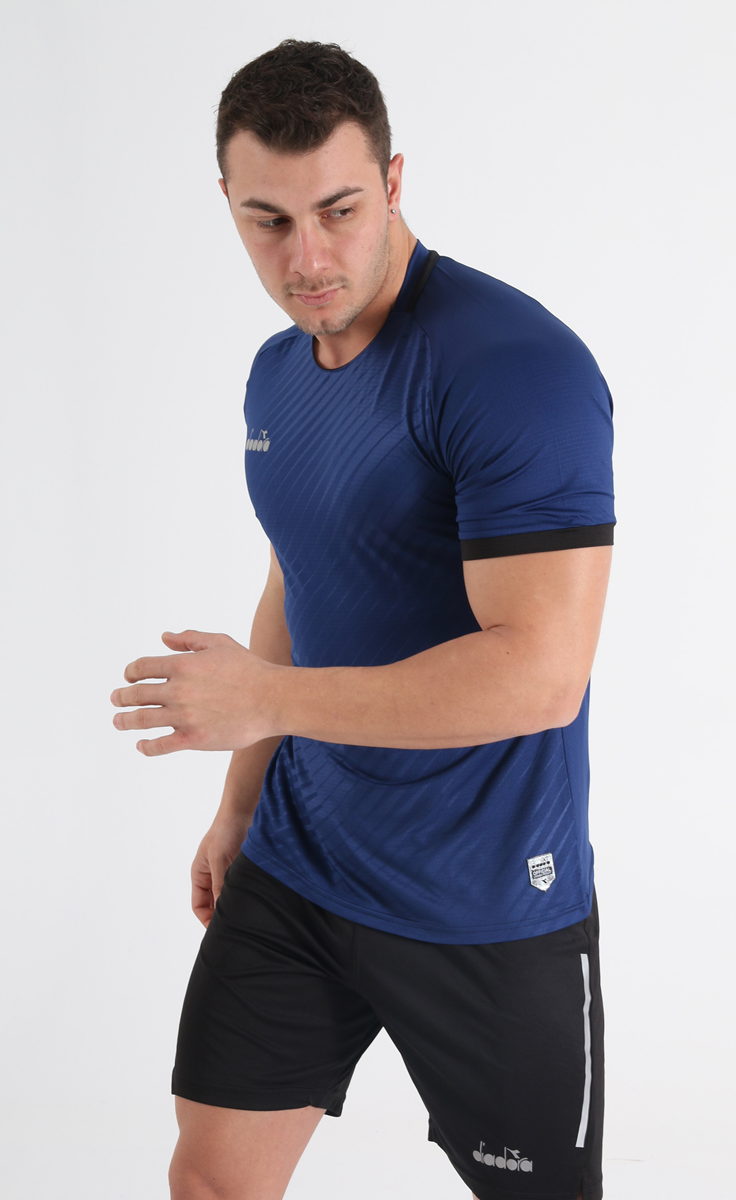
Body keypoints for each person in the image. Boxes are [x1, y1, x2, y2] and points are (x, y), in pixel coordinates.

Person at [110, 39, 615, 1200]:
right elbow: (301, 578)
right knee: (212, 1179)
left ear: (392, 181)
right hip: (301, 863)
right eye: (268, 221)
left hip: (483, 895)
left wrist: (263, 701)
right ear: (227, 205)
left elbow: (540, 676)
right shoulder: (279, 374)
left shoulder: (511, 369)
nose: (308, 257)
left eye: (338, 210)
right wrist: (240, 803)